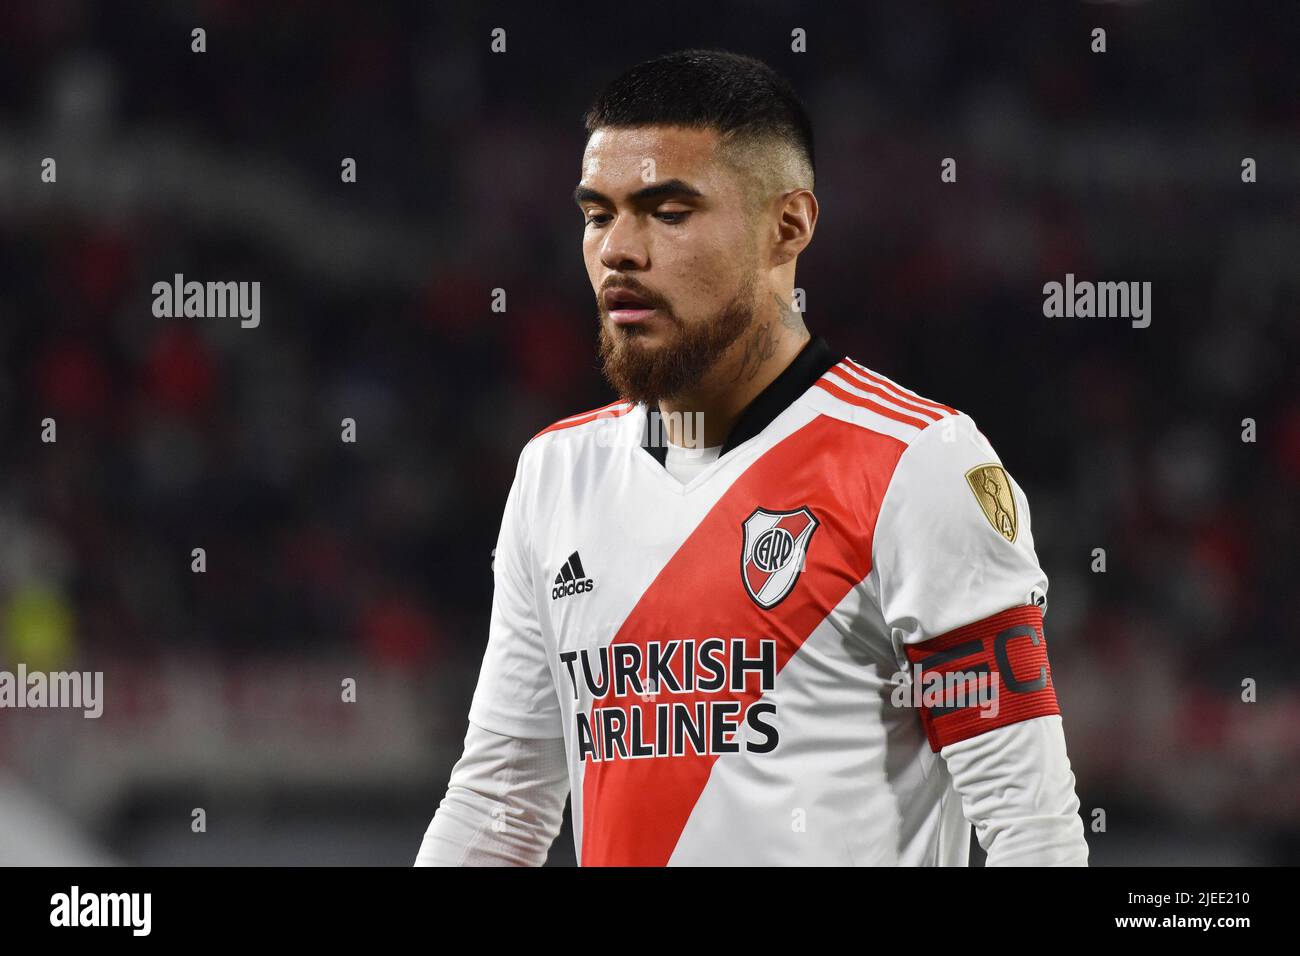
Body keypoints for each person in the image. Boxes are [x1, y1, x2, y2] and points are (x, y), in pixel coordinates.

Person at [416, 49, 1088, 866]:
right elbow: (500, 804)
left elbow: (1032, 833)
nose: (618, 251)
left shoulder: (917, 464)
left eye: (668, 211)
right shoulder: (556, 472)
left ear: (789, 226)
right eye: (599, 214)